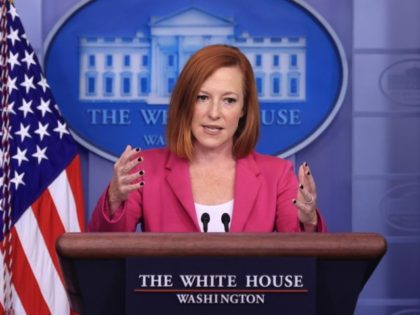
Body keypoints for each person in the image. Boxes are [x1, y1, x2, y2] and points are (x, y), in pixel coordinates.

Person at [89, 45, 326, 233]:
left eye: (229, 100)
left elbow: (302, 265)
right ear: (186, 102)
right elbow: (105, 256)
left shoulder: (278, 175)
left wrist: (309, 222)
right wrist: (114, 199)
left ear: (244, 109)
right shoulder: (143, 169)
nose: (214, 113)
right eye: (202, 98)